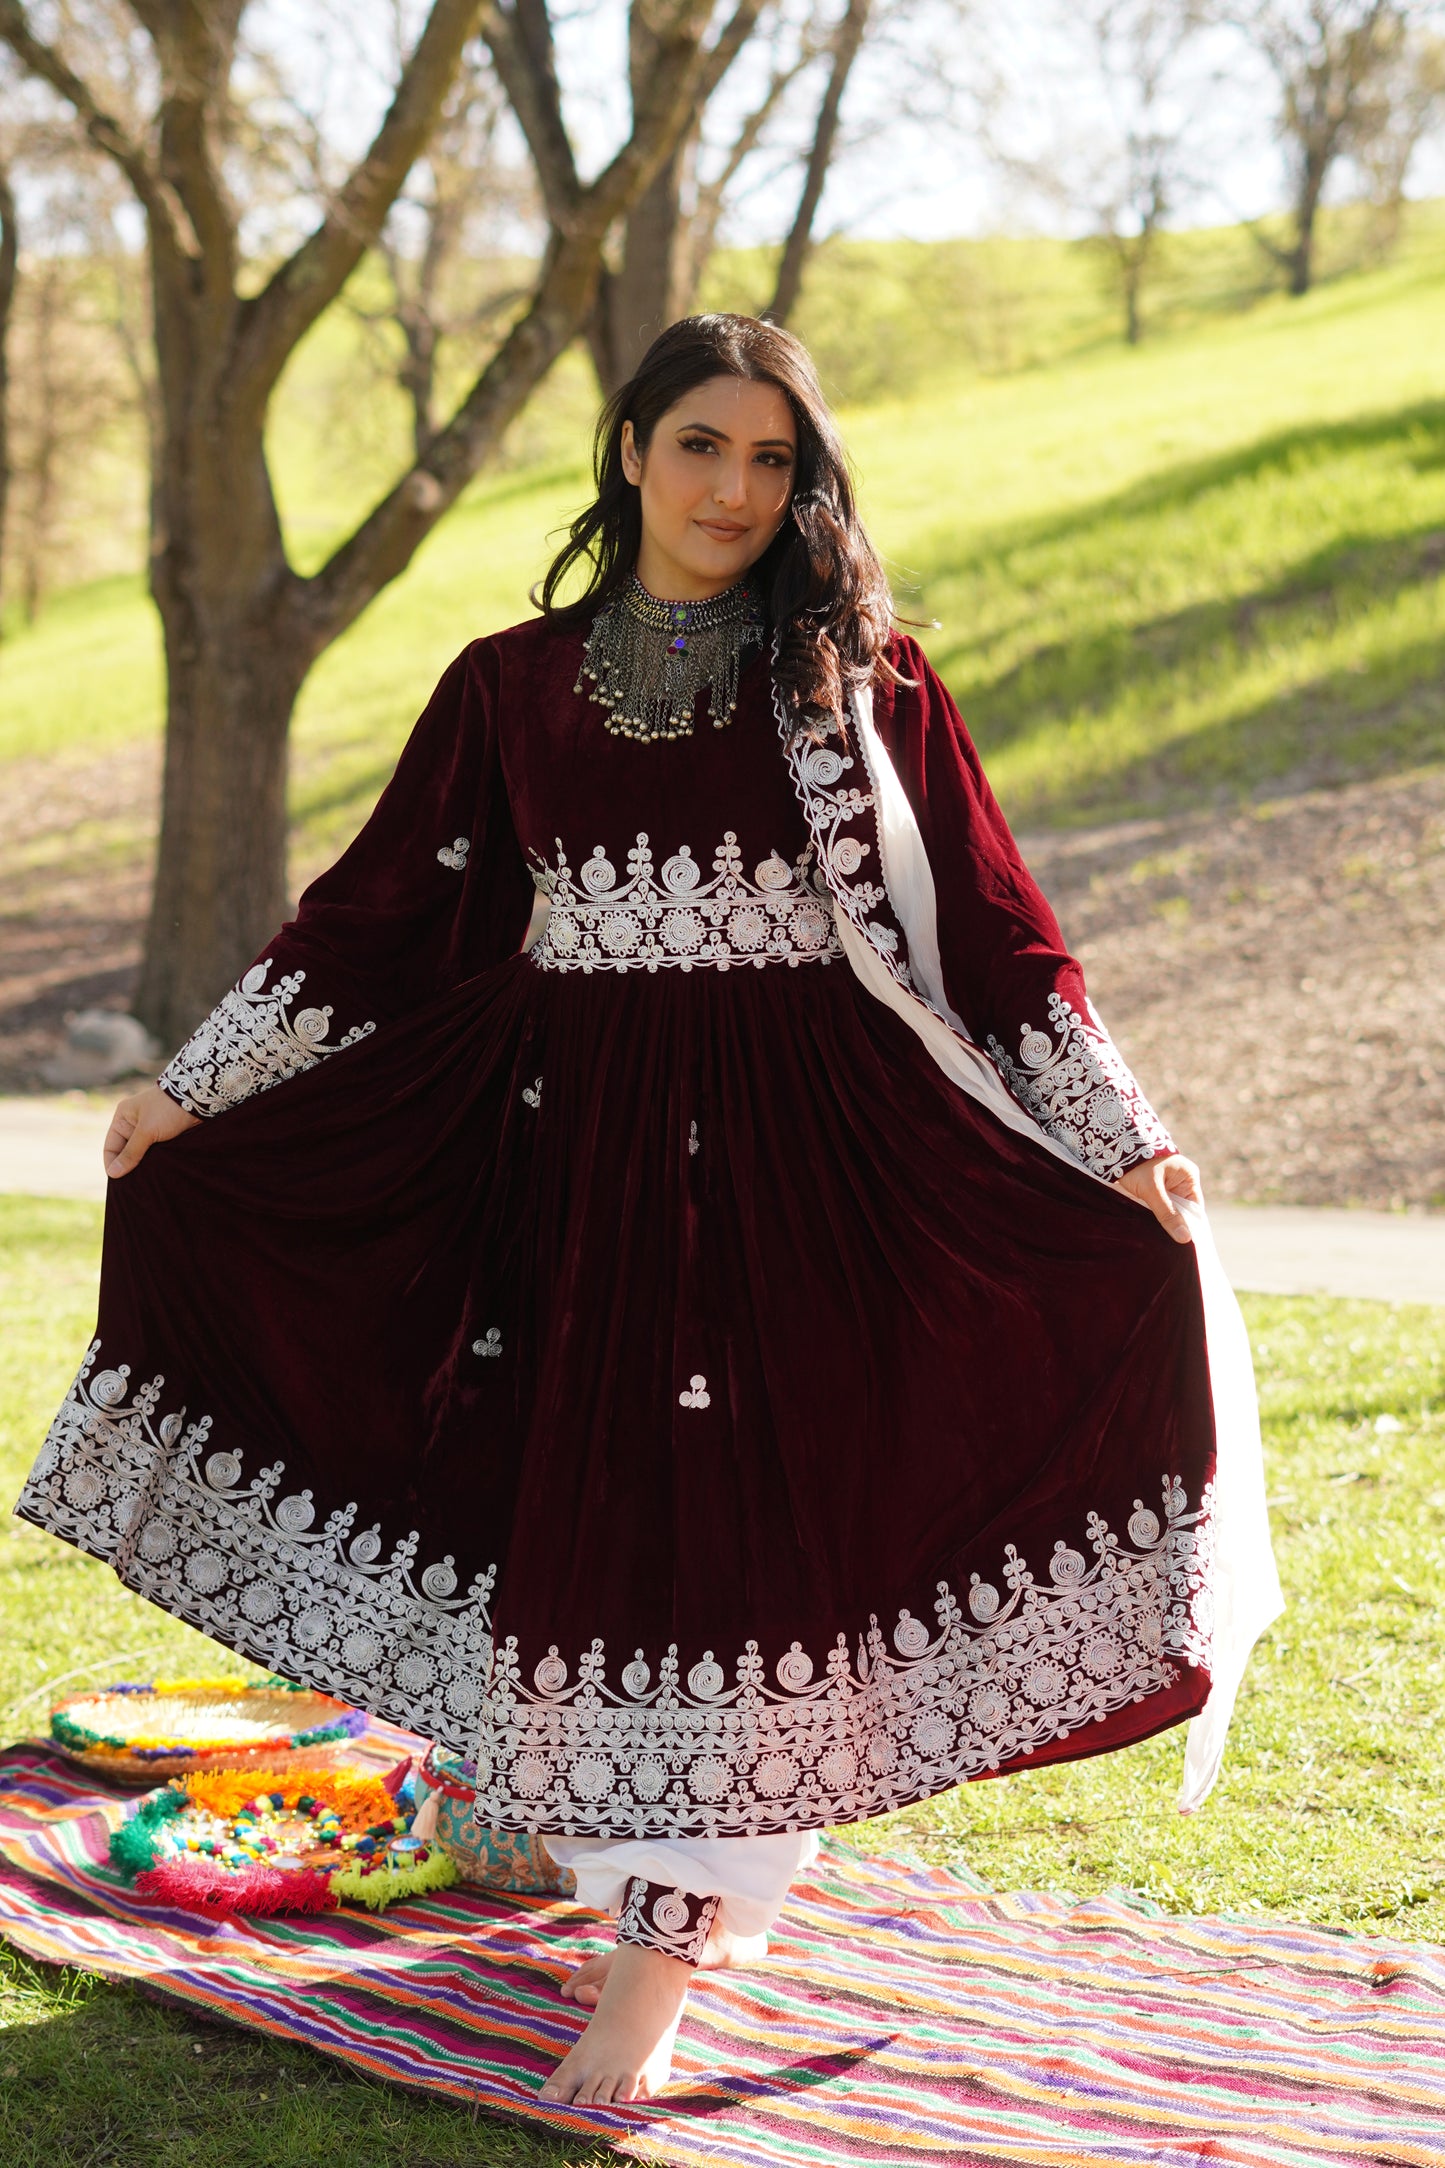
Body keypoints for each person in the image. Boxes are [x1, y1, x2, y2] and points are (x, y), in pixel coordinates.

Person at [15, 314, 1280, 2108]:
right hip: (573, 1173)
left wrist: (1124, 1137)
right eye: (701, 447)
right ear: (628, 451)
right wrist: (190, 1097)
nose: (735, 491)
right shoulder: (509, 688)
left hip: (813, 1173)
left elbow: (999, 946)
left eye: (772, 460)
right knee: (595, 1529)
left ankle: (663, 1955)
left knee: (734, 1547)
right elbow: (373, 925)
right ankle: (648, 1863)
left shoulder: (863, 683)